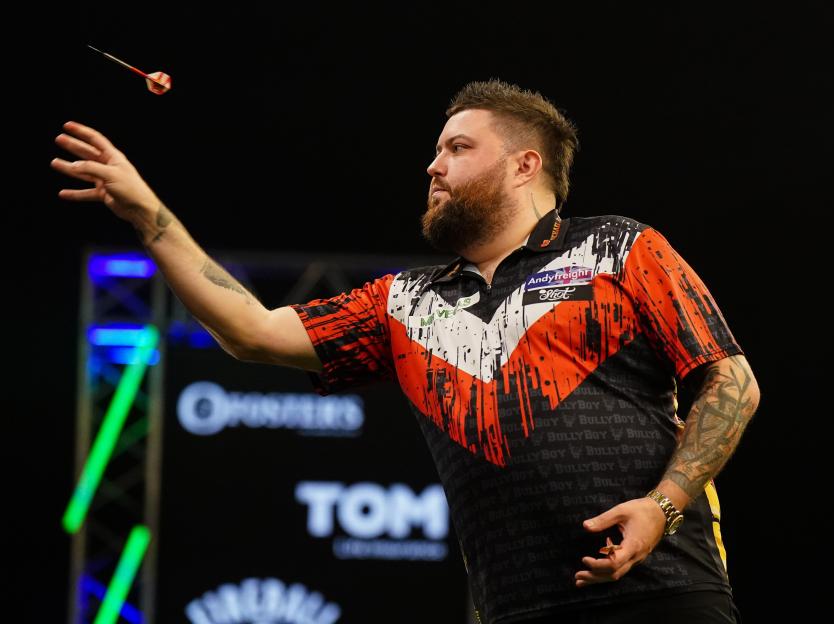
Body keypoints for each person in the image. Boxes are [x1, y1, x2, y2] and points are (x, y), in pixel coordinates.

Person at [52, 79, 760, 624]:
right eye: (436, 150)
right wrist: (145, 211)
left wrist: (663, 507)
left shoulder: (620, 246)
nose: (432, 165)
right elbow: (252, 331)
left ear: (524, 165)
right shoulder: (404, 302)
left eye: (457, 148)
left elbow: (732, 380)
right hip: (514, 609)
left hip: (664, 592)